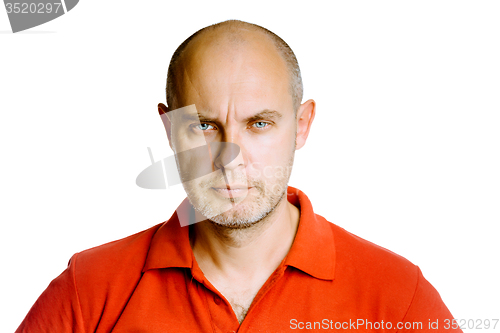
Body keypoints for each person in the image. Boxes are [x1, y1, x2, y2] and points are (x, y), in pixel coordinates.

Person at [16, 20, 461, 332]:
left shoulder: (397, 296)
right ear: (170, 130)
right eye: (204, 126)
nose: (230, 159)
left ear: (302, 125)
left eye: (260, 124)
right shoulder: (88, 288)